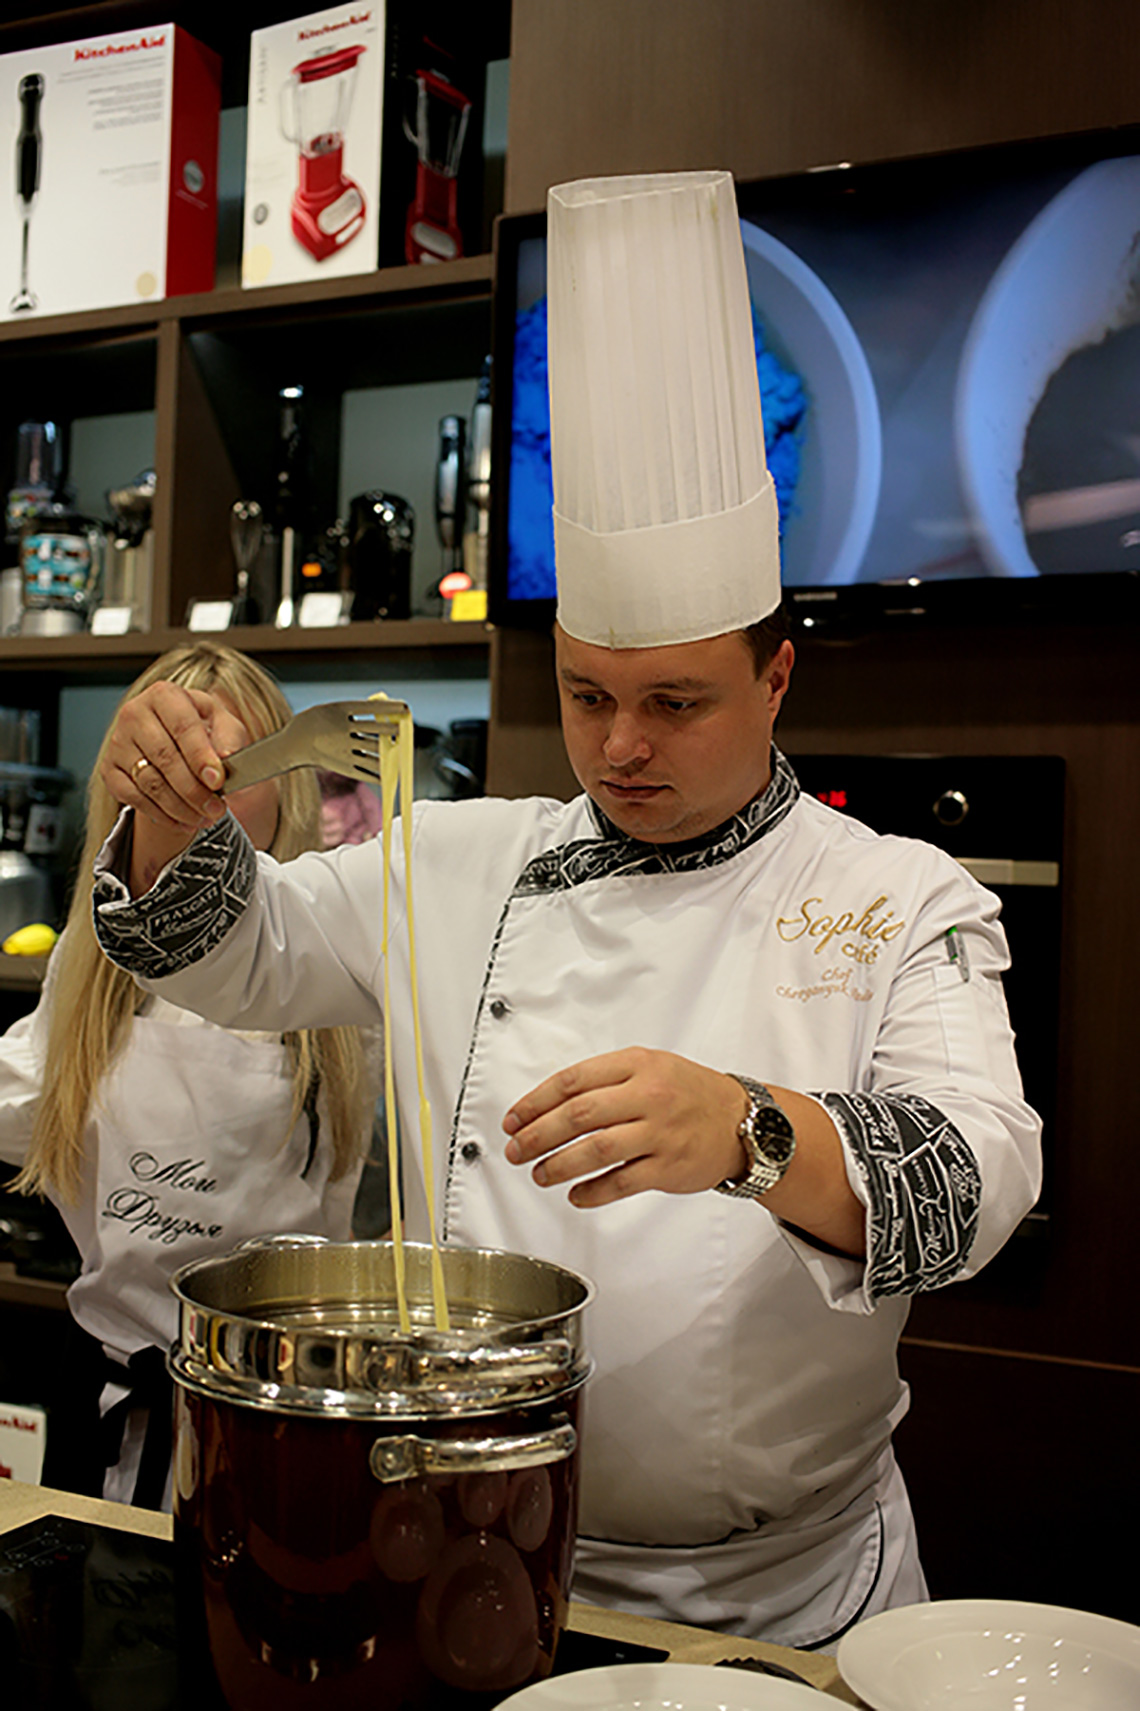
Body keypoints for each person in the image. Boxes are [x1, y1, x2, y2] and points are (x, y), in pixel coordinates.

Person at [88, 174, 1041, 1648]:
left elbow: (981, 1182)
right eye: (586, 694)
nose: (620, 746)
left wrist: (753, 1125)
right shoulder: (462, 858)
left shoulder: (893, 894)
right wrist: (171, 816)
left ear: (778, 678)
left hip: (783, 1599)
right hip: (487, 1554)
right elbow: (235, 952)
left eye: (675, 701)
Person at [0, 641, 377, 1511]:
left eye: (229, 766)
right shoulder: (90, 962)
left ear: (286, 787)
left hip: (282, 1410)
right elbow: (29, 1103)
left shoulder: (333, 958)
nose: (193, 791)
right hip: (109, 1389)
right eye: (164, 766)